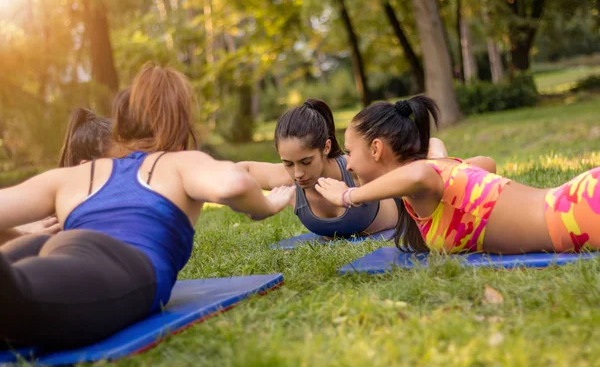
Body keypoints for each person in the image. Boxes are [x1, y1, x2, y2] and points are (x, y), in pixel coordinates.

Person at [0, 63, 294, 349]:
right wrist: (264, 206)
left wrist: (26, 231)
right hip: (116, 265)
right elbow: (234, 184)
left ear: (120, 131)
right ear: (180, 129)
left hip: (50, 252)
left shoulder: (76, 174)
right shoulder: (179, 162)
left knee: (13, 305)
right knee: (15, 302)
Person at [313, 95, 582, 255]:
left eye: (350, 151)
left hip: (577, 214)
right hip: (576, 214)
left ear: (375, 149)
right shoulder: (434, 181)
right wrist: (440, 160)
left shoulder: (425, 176)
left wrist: (349, 196)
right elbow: (487, 164)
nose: (347, 165)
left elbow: (418, 174)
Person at [238, 99, 448, 238]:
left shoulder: (355, 167)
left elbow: (431, 143)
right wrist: (256, 204)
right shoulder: (284, 179)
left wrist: (439, 163)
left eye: (306, 161)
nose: (298, 173)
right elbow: (237, 172)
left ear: (326, 147)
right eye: (288, 163)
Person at [0, 103, 121, 246]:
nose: (131, 169)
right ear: (87, 168)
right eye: (120, 163)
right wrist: (24, 235)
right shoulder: (54, 216)